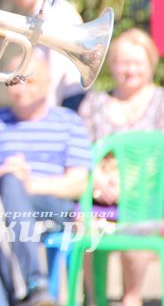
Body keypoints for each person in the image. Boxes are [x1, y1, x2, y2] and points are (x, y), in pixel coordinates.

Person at [0, 52, 91, 306]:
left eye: (29, 81)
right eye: (14, 81)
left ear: (48, 83)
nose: (21, 89)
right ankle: (35, 287)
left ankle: (33, 287)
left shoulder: (69, 122)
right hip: (1, 209)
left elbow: (78, 183)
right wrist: (0, 174)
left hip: (50, 208)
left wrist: (27, 186)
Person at [78, 28, 164, 306]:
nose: (129, 70)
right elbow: (80, 150)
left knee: (138, 216)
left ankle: (132, 297)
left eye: (137, 63)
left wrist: (127, 185)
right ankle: (94, 298)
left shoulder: (161, 102)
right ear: (112, 65)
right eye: (123, 62)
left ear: (150, 64)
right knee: (83, 226)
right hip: (101, 198)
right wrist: (99, 181)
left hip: (149, 199)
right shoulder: (95, 102)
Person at [7, 0, 86, 111]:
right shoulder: (47, 11)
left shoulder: (51, 14)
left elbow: (57, 63)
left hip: (65, 94)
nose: (16, 3)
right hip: (65, 92)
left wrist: (49, 107)